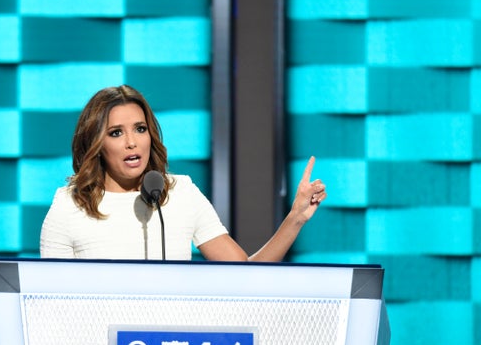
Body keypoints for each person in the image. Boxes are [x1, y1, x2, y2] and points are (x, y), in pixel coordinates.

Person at [40, 84, 326, 261]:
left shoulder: (180, 193)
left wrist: (295, 218)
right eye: (116, 133)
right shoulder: (69, 205)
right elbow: (48, 303)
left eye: (140, 129)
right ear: (96, 144)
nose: (132, 142)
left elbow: (246, 275)